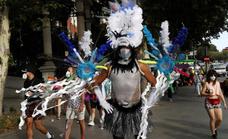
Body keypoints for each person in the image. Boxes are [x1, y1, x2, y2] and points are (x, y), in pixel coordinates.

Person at [22, 66, 54, 139]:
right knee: (29, 124)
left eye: (25, 72)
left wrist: (36, 92)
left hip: (37, 105)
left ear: (30, 72)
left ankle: (48, 135)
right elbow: (25, 94)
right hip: (28, 105)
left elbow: (44, 92)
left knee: (38, 126)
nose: (24, 73)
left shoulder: (38, 81)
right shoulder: (25, 82)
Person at [200, 69, 227, 139]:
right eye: (211, 75)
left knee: (220, 119)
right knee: (213, 118)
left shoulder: (217, 83)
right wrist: (208, 94)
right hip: (209, 102)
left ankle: (215, 128)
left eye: (214, 75)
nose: (213, 77)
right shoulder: (206, 83)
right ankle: (213, 133)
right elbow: (202, 93)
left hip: (217, 101)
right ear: (209, 76)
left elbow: (220, 93)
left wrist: (224, 103)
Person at [63, 66, 85, 139]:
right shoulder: (66, 81)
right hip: (70, 106)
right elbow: (65, 94)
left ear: (73, 72)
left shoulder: (79, 80)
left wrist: (82, 104)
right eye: (67, 70)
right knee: (68, 124)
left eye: (69, 70)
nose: (67, 72)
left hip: (78, 105)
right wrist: (65, 104)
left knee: (81, 122)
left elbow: (82, 92)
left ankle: (82, 137)